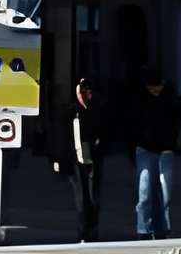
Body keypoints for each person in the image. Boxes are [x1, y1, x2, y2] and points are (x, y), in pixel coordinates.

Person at [52, 79, 107, 242]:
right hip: (75, 160)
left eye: (88, 91)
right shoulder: (70, 112)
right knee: (81, 198)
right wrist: (58, 159)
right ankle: (83, 230)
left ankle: (92, 229)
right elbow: (61, 138)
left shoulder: (97, 110)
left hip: (93, 159)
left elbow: (104, 133)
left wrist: (99, 145)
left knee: (93, 196)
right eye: (82, 91)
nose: (86, 95)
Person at [132, 66, 181, 237]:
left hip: (165, 149)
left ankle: (163, 229)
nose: (155, 91)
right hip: (145, 148)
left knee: (165, 194)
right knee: (145, 192)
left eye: (158, 87)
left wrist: (173, 141)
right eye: (151, 87)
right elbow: (131, 123)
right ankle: (143, 230)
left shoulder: (170, 97)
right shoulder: (140, 98)